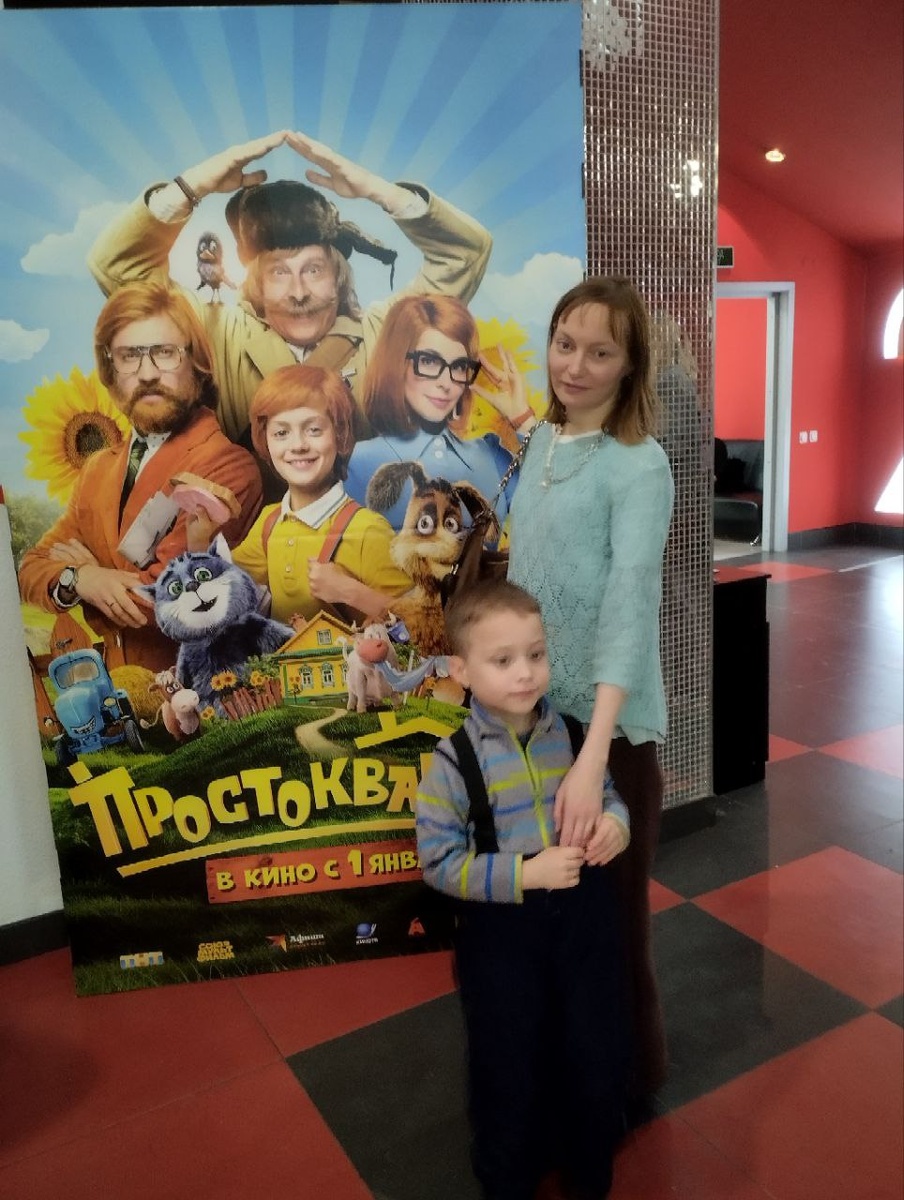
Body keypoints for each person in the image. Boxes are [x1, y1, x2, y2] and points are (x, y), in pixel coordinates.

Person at [505, 277, 675, 1109]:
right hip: (535, 722)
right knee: (550, 922)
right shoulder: (544, 439)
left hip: (606, 734)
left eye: (600, 352)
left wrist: (594, 755)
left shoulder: (641, 466)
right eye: (564, 343)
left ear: (630, 364)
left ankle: (626, 1089)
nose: (575, 365)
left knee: (611, 927)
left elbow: (628, 606)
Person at [416, 578, 631, 1200]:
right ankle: (508, 1174)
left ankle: (588, 1162)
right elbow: (439, 862)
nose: (525, 673)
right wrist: (526, 874)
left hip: (583, 923)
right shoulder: (451, 762)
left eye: (535, 654)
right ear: (461, 670)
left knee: (590, 1043)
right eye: (503, 659)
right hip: (501, 939)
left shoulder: (571, 735)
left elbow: (608, 796)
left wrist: (615, 826)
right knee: (507, 1059)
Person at [87, 130, 493, 445]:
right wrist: (189, 188)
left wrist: (378, 191)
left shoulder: (385, 331)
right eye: (279, 272)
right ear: (256, 282)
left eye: (313, 269)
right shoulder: (216, 333)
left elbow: (464, 255)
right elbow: (118, 266)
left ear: (338, 275)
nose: (299, 292)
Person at [18, 282, 263, 672]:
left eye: (165, 352)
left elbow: (169, 599)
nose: (147, 373)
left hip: (188, 690)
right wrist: (81, 578)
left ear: (197, 364)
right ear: (111, 370)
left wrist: (94, 581)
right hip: (111, 686)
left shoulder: (228, 466)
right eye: (129, 356)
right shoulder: (97, 468)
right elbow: (31, 568)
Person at [231, 363, 411, 626]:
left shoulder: (367, 529)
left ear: (340, 435)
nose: (298, 445)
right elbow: (224, 590)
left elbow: (418, 626)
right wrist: (200, 538)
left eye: (314, 430)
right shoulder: (270, 522)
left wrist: (351, 592)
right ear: (265, 441)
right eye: (281, 433)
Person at [345, 294, 528, 531]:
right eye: (429, 361)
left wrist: (522, 417)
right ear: (396, 363)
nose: (446, 383)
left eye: (459, 366)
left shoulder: (491, 455)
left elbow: (556, 513)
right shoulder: (357, 462)